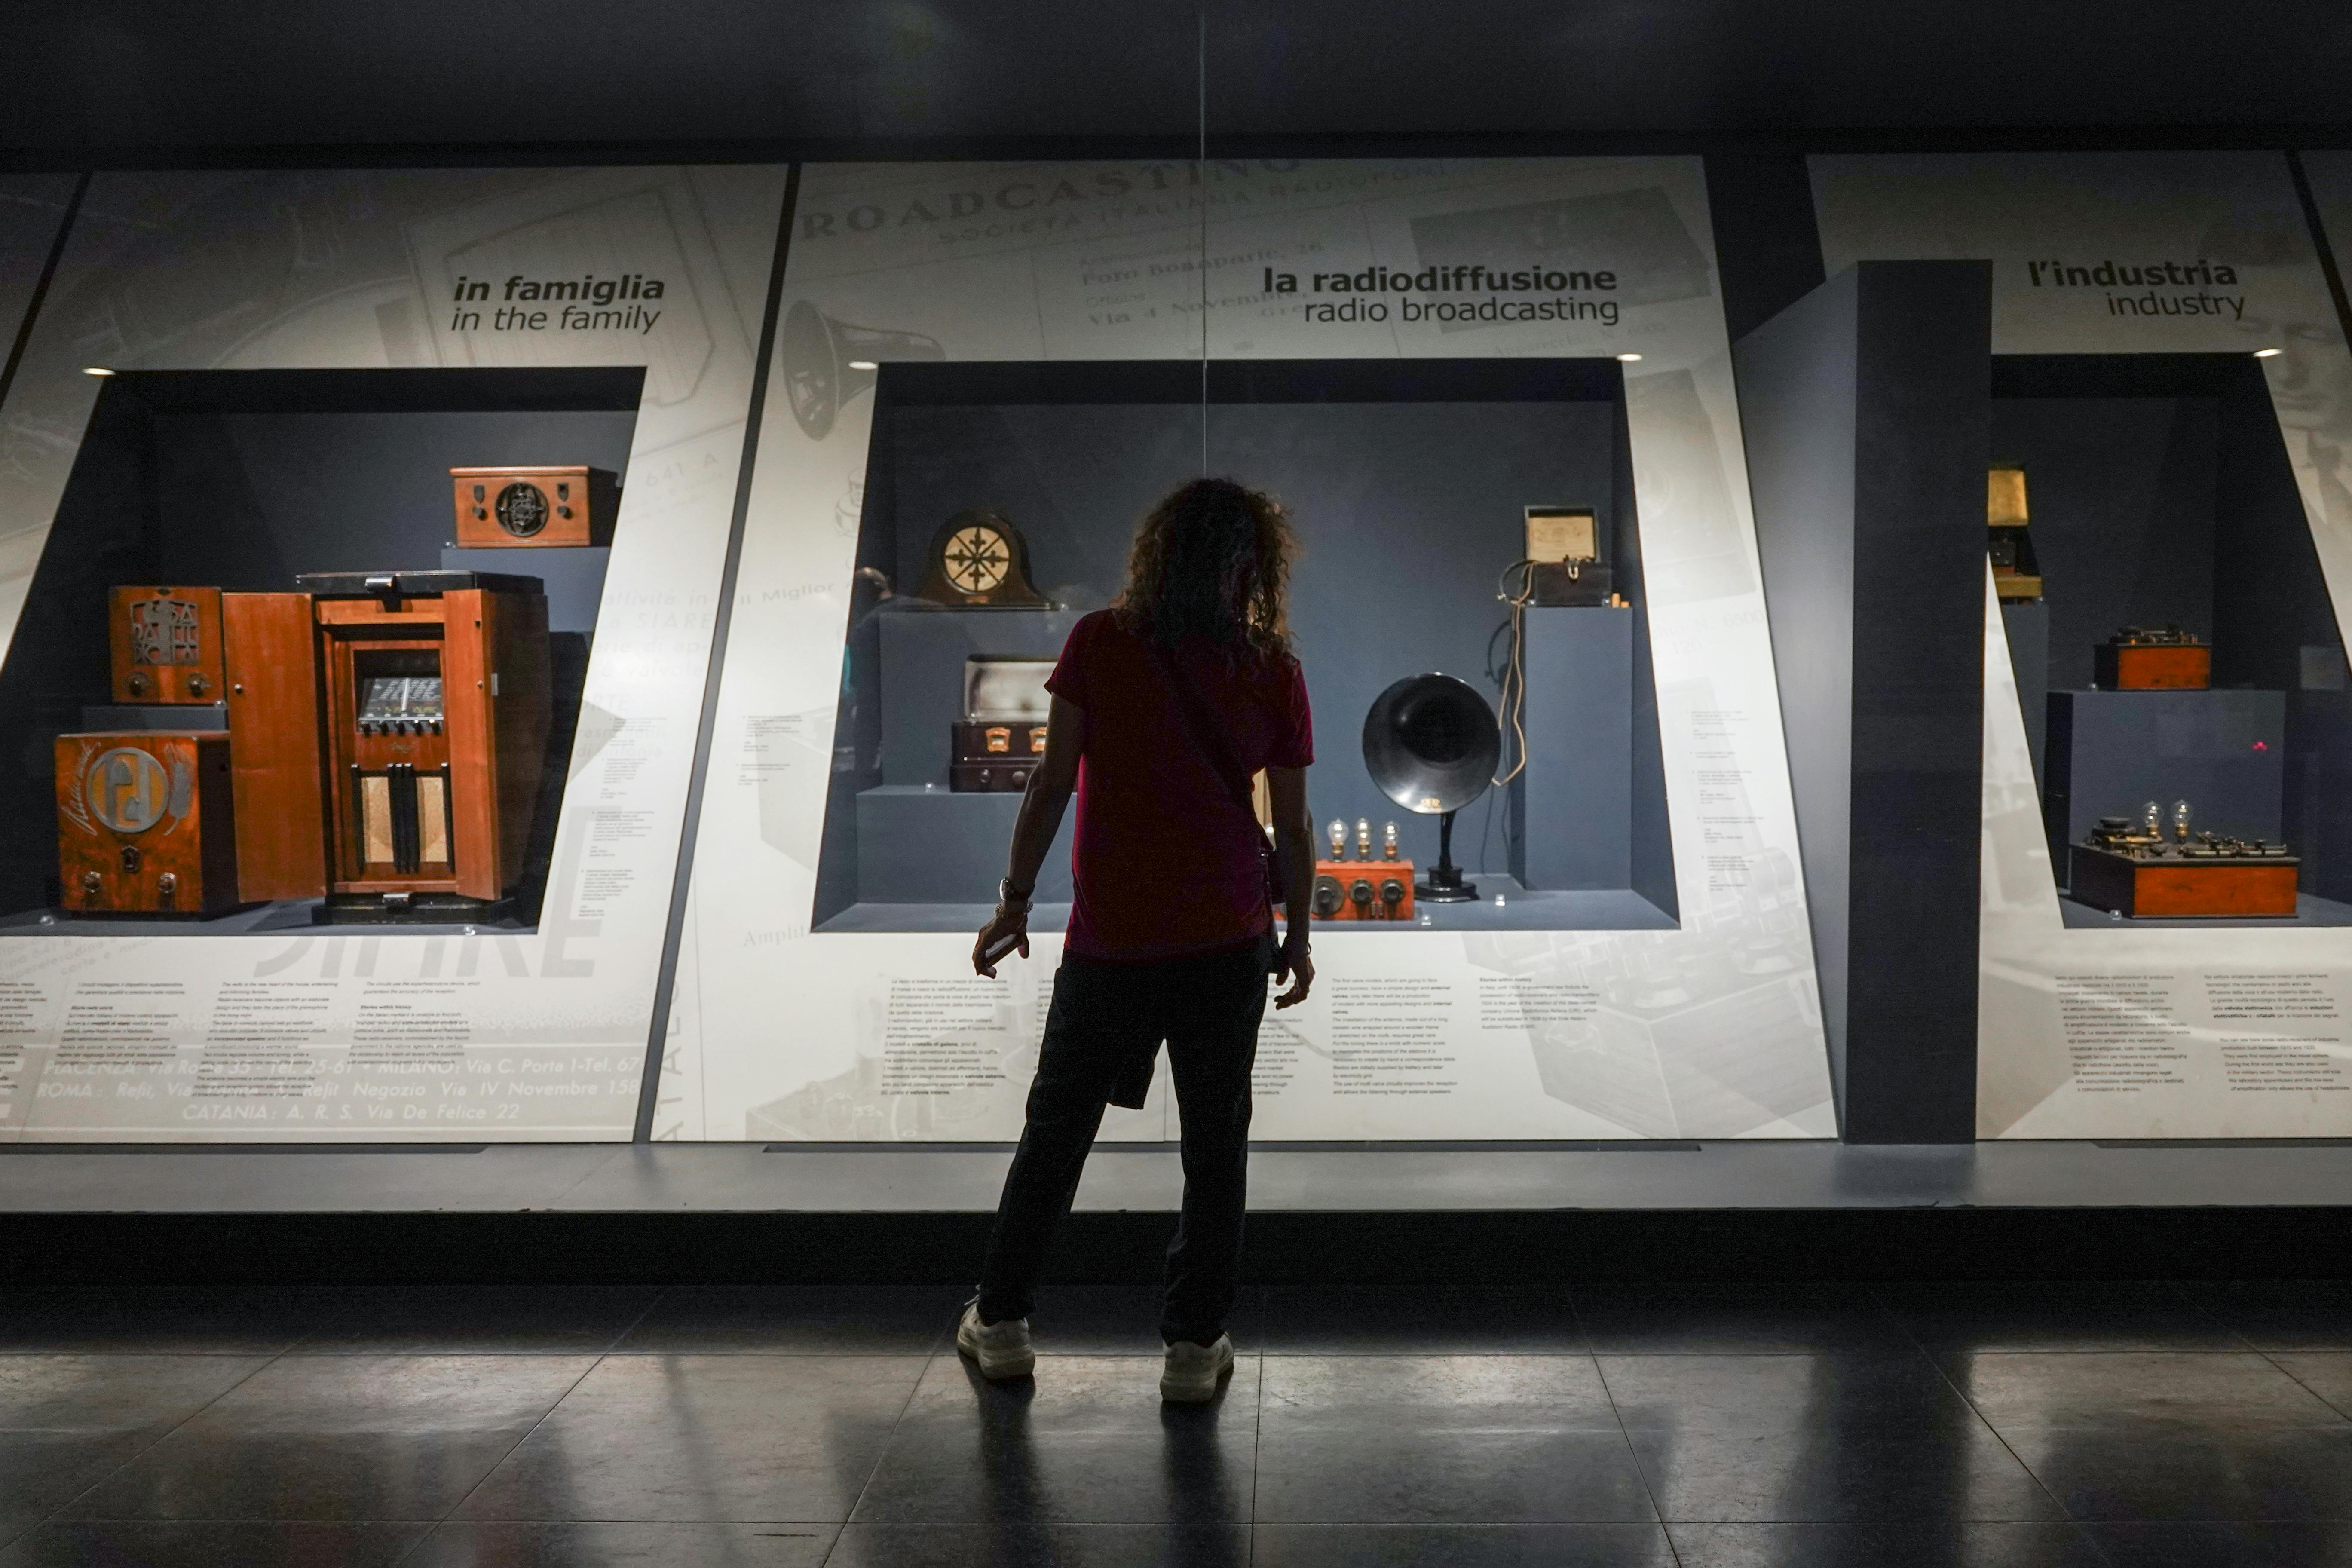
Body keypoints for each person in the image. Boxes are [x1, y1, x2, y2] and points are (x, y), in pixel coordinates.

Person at [958, 476, 1317, 1403]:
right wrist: (1300, 935)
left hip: (1112, 941)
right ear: (1255, 564)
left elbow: (1051, 784)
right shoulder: (1269, 664)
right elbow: (1296, 826)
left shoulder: (1099, 642)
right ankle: (1194, 1352)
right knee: (1215, 1148)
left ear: (1158, 552)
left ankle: (1001, 1326)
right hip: (1226, 937)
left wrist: (1014, 900)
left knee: (1056, 1137)